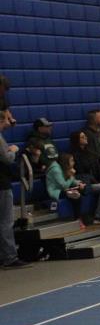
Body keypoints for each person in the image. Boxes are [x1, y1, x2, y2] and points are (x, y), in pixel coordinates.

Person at [1, 108, 30, 267]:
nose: (11, 121)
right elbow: (7, 158)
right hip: (2, 184)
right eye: (7, 119)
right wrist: (13, 150)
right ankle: (10, 257)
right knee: (5, 221)